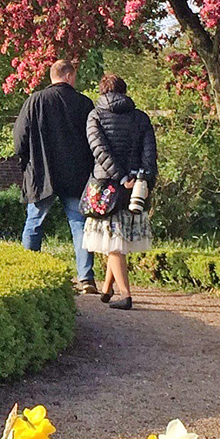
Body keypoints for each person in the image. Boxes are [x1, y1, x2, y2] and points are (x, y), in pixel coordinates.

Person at [13, 59, 96, 291]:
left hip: (42, 173)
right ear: (68, 76)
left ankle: (28, 273)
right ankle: (86, 277)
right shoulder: (84, 103)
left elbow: (19, 137)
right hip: (76, 174)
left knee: (34, 222)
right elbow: (94, 139)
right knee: (80, 225)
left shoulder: (35, 101)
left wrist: (26, 163)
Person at [84, 73, 156, 310]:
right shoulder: (140, 118)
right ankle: (107, 289)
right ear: (124, 91)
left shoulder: (95, 115)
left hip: (106, 184)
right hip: (135, 184)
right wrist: (144, 179)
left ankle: (125, 295)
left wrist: (120, 177)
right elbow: (149, 152)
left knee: (113, 241)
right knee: (117, 237)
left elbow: (100, 151)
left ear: (102, 91)